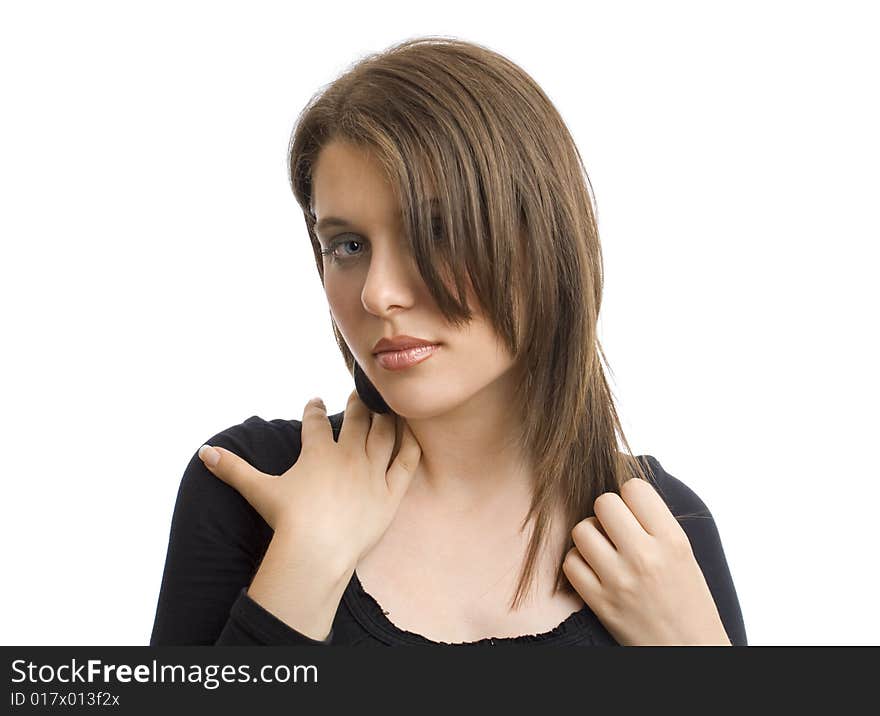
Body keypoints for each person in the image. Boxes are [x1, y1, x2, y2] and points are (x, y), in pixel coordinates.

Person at [150, 36, 747, 647]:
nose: (378, 294)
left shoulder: (660, 534)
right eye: (348, 246)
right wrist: (306, 561)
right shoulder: (256, 485)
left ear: (544, 239)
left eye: (436, 231)